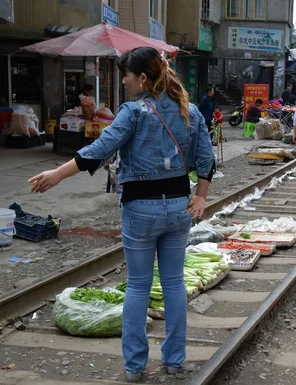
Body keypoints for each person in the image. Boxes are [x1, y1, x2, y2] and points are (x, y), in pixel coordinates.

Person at [28, 46, 215, 382]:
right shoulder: (190, 110)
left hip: (140, 212)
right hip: (178, 207)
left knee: (139, 287)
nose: (124, 82)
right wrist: (200, 197)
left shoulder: (134, 112)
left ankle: (134, 367)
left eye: (127, 76)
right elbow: (206, 158)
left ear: (143, 78)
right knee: (173, 284)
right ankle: (174, 361)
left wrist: (57, 174)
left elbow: (100, 149)